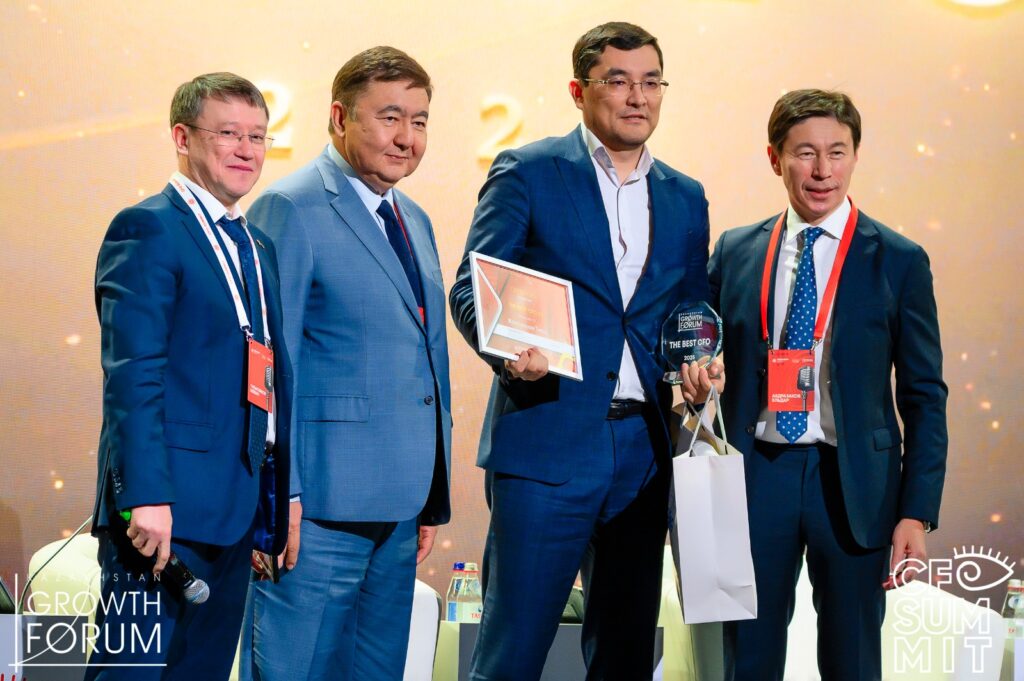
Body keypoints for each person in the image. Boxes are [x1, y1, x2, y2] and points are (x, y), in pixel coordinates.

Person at [449, 21, 719, 681]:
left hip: (644, 449)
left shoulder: (685, 196)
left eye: (651, 82)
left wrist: (702, 366)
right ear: (579, 90)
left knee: (626, 655)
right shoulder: (529, 171)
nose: (638, 97)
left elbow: (692, 310)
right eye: (618, 81)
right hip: (546, 436)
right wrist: (507, 353)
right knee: (511, 654)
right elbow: (471, 289)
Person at [699, 88, 948, 680]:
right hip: (757, 474)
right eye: (805, 153)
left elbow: (924, 396)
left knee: (852, 659)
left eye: (837, 152)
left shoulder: (898, 259)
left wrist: (916, 512)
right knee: (746, 658)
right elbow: (699, 346)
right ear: (775, 158)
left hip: (855, 481)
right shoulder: (735, 251)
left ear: (855, 156)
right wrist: (696, 371)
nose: (822, 171)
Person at [242, 46, 451, 681]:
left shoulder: (413, 217)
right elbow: (267, 363)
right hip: (317, 510)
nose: (407, 137)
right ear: (339, 118)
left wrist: (430, 495)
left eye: (419, 121)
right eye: (390, 118)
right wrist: (280, 493)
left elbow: (423, 358)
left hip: (401, 506)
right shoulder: (290, 205)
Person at [87, 72, 291, 680]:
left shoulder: (257, 246)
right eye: (228, 133)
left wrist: (281, 497)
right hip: (161, 513)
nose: (246, 150)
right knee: (130, 673)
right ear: (182, 137)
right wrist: (145, 497)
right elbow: (133, 376)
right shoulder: (147, 227)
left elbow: (270, 378)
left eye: (257, 136)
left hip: (236, 510)